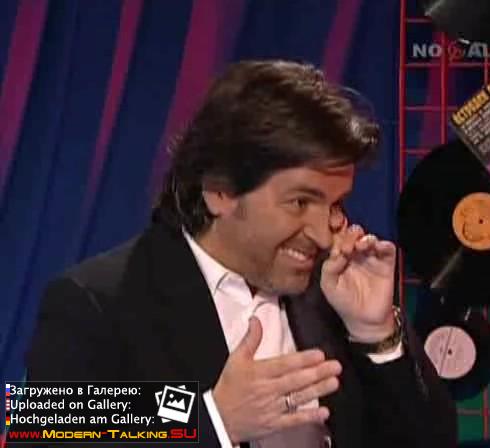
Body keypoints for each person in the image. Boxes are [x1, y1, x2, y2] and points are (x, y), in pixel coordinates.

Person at [25, 60, 457, 447]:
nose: (325, 236)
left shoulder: (335, 294)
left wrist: (376, 335)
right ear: (220, 191)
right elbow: (50, 431)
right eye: (300, 203)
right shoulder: (95, 300)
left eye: (336, 205)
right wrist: (214, 420)